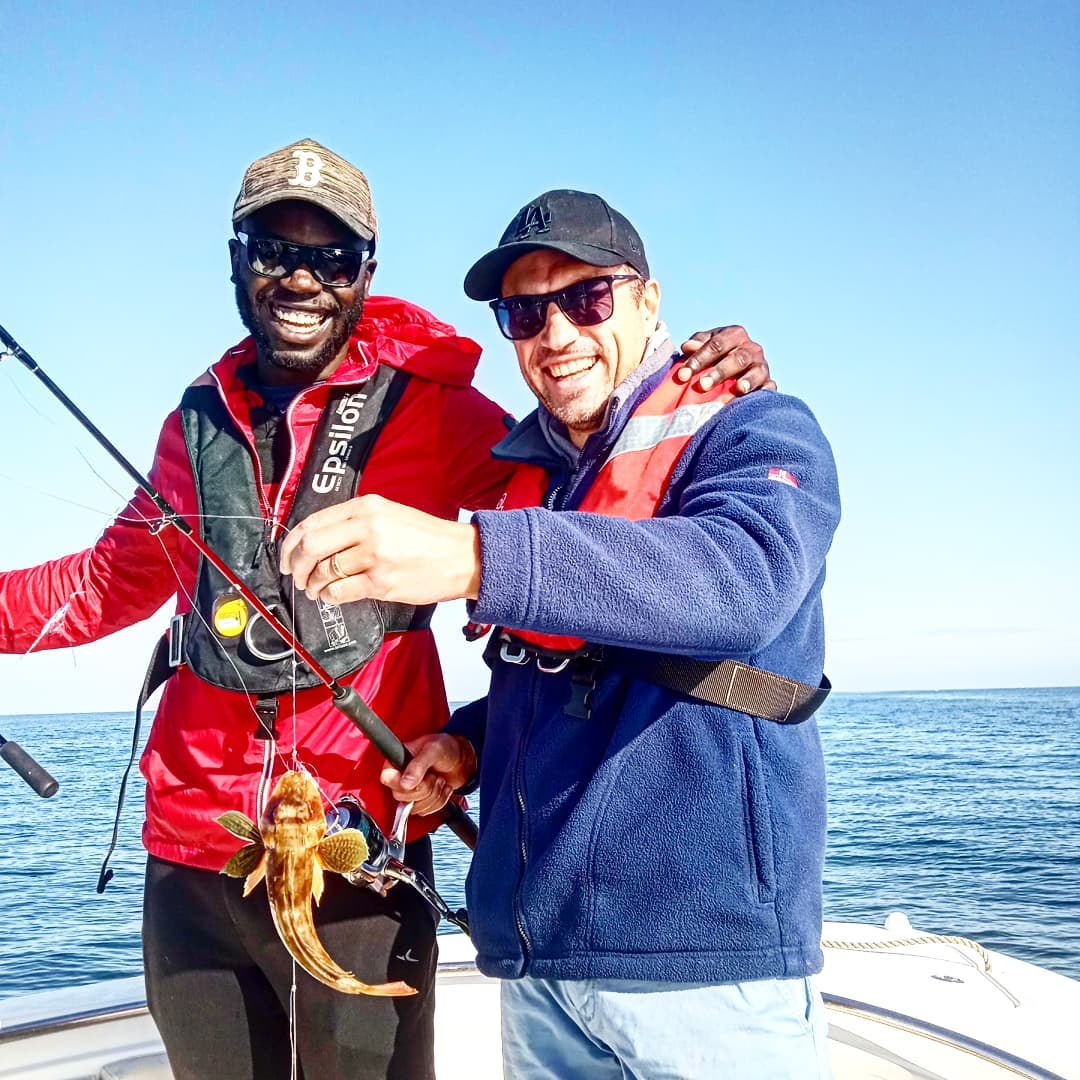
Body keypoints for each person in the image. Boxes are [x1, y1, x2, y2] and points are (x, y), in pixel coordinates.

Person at [0, 146, 773, 1080]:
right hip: (194, 853)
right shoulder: (192, 425)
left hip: (360, 846)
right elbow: (101, 583)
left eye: (330, 258)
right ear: (237, 261)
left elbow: (597, 504)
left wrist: (694, 381)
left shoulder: (440, 412)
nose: (300, 279)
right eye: (274, 251)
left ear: (364, 271)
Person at [280, 188, 841, 1077]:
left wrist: (475, 555)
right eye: (525, 313)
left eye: (587, 298)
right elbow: (568, 678)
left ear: (648, 301)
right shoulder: (538, 474)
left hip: (705, 970)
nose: (557, 333)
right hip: (542, 969)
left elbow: (743, 584)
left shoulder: (758, 426)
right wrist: (467, 746)